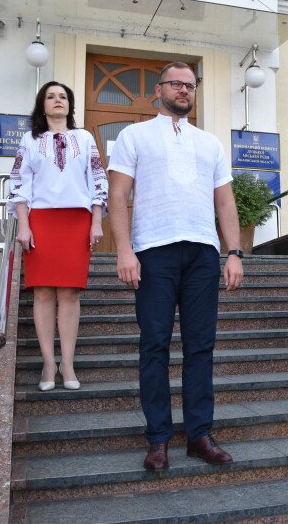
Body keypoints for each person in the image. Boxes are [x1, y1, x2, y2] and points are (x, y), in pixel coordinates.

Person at [107, 62, 243, 472]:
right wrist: (124, 250)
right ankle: (158, 438)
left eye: (190, 85)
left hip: (202, 251)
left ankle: (200, 434)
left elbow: (225, 200)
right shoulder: (134, 135)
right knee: (154, 345)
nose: (184, 90)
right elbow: (118, 196)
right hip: (154, 250)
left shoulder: (210, 142)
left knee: (201, 346)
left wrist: (234, 252)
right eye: (176, 84)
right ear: (159, 89)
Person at [8, 81, 108, 392]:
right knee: (42, 293)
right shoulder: (30, 140)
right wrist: (24, 225)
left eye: (63, 96)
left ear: (70, 104)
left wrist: (96, 222)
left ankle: (68, 363)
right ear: (42, 104)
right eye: (50, 97)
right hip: (40, 220)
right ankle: (48, 363)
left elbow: (97, 179)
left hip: (77, 220)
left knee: (70, 293)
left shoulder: (85, 138)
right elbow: (18, 183)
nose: (57, 101)